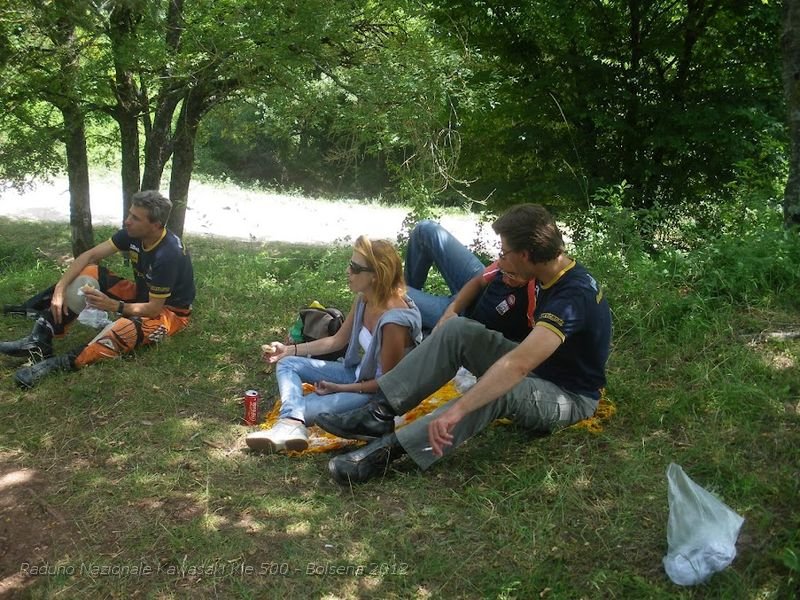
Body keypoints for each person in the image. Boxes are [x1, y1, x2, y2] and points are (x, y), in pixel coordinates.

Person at [314, 204, 612, 485]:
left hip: (569, 395)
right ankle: (378, 414)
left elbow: (517, 366)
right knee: (457, 329)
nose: (500, 259)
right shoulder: (551, 271)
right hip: (544, 369)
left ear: (526, 254)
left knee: (501, 387)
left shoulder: (573, 297)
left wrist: (459, 409)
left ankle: (385, 453)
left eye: (505, 253)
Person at [0, 190, 195, 388]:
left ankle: (62, 362)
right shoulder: (133, 234)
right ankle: (39, 340)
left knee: (124, 329)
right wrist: (60, 288)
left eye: (135, 218)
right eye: (129, 214)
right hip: (140, 294)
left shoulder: (168, 255)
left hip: (170, 313)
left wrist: (114, 306)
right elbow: (90, 256)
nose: (127, 221)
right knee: (89, 272)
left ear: (155, 225)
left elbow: (153, 309)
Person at [245, 235, 422, 453]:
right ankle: (292, 423)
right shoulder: (365, 298)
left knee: (302, 408)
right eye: (350, 264)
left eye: (355, 267)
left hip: (375, 394)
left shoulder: (394, 322)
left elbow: (388, 383)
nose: (348, 271)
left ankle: (290, 422)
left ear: (376, 276)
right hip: (358, 375)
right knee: (288, 363)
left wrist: (341, 388)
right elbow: (337, 341)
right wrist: (288, 350)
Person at [405, 220, 535, 341]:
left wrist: (451, 318)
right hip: (475, 289)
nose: (504, 277)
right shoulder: (512, 259)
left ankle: (404, 308)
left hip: (467, 320)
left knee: (391, 292)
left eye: (511, 275)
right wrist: (452, 310)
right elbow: (479, 280)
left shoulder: (538, 296)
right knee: (425, 230)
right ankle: (406, 312)